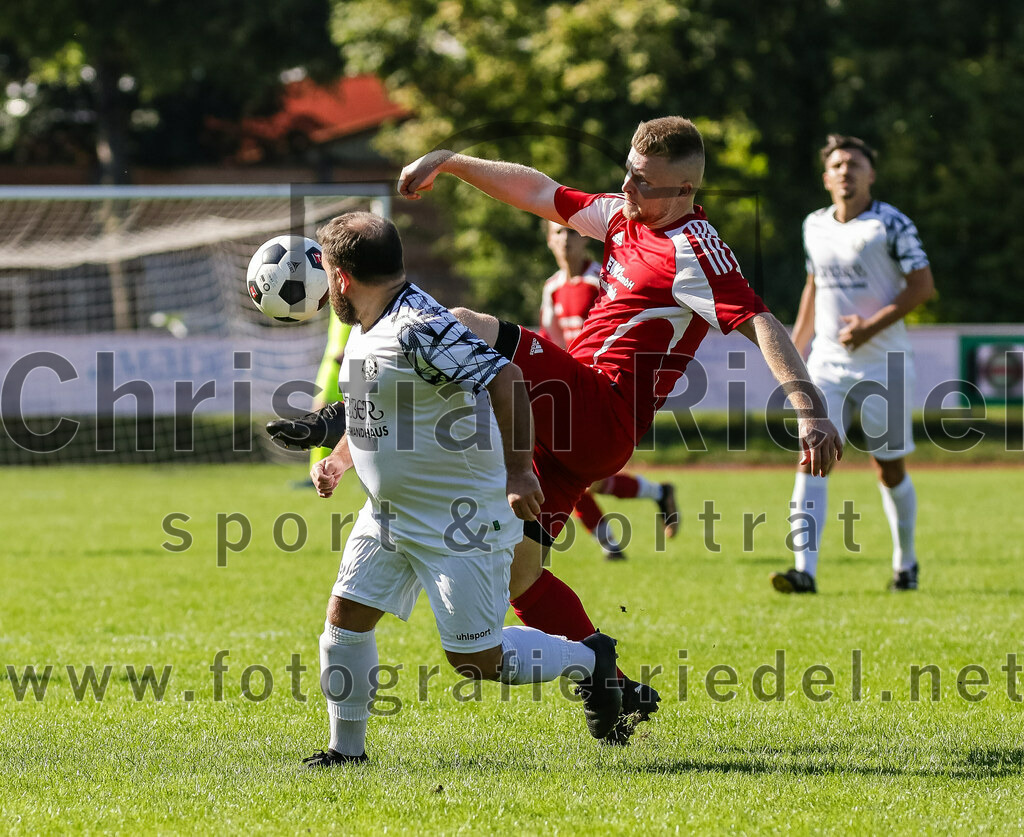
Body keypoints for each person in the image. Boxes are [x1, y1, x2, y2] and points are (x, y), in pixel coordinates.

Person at [301, 211, 623, 767]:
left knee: (477, 661)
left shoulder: (417, 327)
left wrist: (521, 472)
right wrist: (340, 458)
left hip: (459, 523)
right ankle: (344, 752)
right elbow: (378, 409)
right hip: (389, 516)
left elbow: (506, 378)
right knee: (343, 622)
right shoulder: (367, 322)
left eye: (326, 268)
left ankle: (590, 662)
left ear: (342, 278)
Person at [770, 135, 935, 595]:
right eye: (838, 164)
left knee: (890, 469)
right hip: (827, 362)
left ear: (871, 174)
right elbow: (814, 285)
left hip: (885, 363)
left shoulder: (891, 224)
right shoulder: (813, 225)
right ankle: (805, 571)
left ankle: (906, 563)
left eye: (855, 164)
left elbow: (922, 287)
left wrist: (868, 327)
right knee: (812, 457)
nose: (846, 171)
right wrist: (794, 347)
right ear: (826, 177)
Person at [540, 221, 679, 560]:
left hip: (605, 388)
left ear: (584, 239)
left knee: (571, 468)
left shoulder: (604, 279)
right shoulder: (553, 287)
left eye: (571, 232)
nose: (564, 240)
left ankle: (620, 531)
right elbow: (552, 340)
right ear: (548, 241)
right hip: (572, 388)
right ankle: (643, 509)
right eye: (557, 233)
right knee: (573, 469)